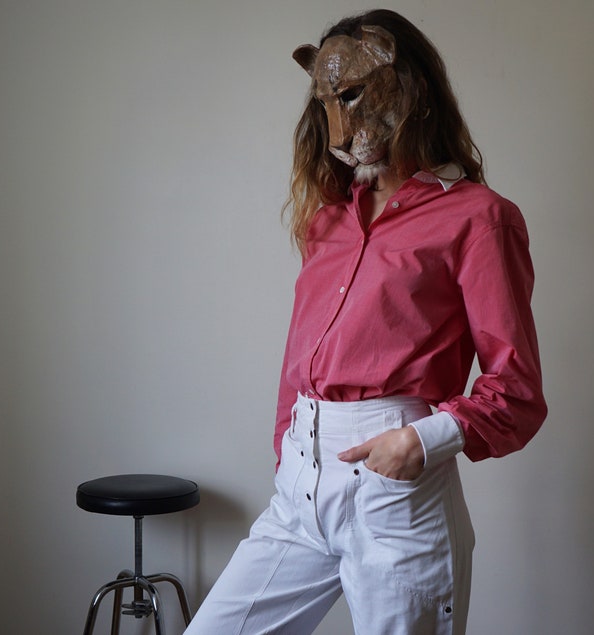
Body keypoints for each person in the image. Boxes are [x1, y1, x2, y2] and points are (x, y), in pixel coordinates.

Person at [185, 9, 546, 635]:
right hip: (302, 487)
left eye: (351, 93)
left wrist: (422, 439)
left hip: (397, 493)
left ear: (407, 84)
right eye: (328, 101)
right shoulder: (327, 219)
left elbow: (517, 393)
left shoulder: (480, 219)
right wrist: (287, 451)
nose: (339, 125)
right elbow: (300, 357)